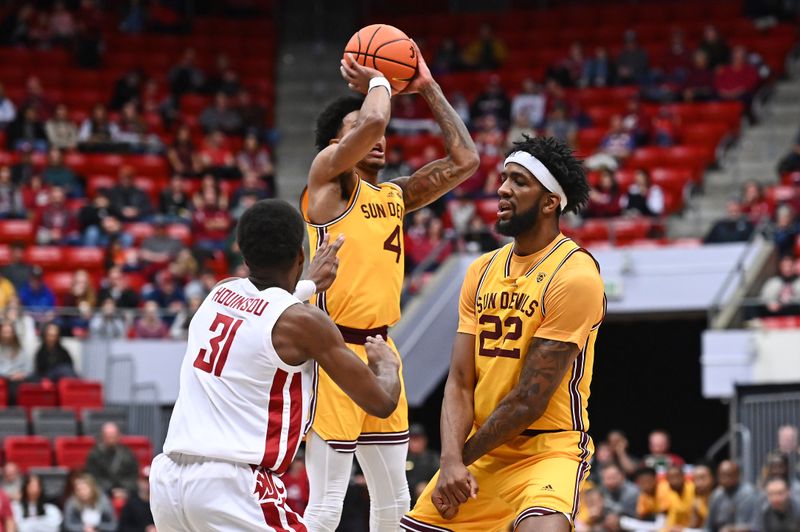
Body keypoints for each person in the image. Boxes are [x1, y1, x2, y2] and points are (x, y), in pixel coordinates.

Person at [300, 44, 478, 532]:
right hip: (334, 348)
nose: (374, 137)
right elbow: (376, 123)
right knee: (326, 502)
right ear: (336, 146)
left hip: (383, 351)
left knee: (395, 498)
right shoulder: (328, 183)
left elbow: (466, 159)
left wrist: (427, 87)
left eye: (370, 127)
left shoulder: (393, 195)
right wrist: (379, 79)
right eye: (353, 129)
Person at [149, 199, 403, 531]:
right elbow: (381, 403)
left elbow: (263, 312)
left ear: (242, 251)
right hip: (233, 486)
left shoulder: (218, 294)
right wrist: (388, 366)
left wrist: (309, 285)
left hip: (169, 480)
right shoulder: (305, 323)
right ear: (300, 255)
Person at [402, 135, 603, 531]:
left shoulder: (575, 274)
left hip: (547, 447)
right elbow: (460, 382)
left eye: (519, 181)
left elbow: (529, 398)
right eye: (504, 178)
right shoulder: (481, 270)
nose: (502, 189)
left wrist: (459, 459)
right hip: (482, 448)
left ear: (550, 202)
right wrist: (451, 461)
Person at [85, 422, 139, 496]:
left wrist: (124, 489)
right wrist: (111, 490)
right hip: (103, 492)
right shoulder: (95, 455)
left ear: (119, 436)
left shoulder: (127, 454)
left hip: (126, 492)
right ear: (103, 436)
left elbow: (133, 476)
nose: (111, 439)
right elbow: (93, 477)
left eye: (113, 436)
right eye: (108, 436)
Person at [706, 460, 759, 532]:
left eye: (728, 475)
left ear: (737, 475)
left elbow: (753, 526)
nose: (724, 479)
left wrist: (731, 529)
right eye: (721, 475)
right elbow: (709, 526)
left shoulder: (748, 494)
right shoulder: (716, 495)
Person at [406, 424, 440, 507]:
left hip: (427, 498)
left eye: (418, 439)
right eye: (413, 439)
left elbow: (441, 478)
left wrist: (428, 487)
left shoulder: (433, 458)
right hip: (406, 497)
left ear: (424, 440)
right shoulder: (402, 458)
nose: (415, 443)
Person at [117, 468, 154, 532]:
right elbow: (123, 528)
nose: (147, 484)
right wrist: (144, 530)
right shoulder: (131, 504)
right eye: (144, 481)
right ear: (138, 482)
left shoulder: (159, 503)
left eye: (149, 480)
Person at [690, 464, 715, 528]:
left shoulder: (720, 498)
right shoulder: (697, 502)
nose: (698, 483)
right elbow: (694, 527)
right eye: (695, 479)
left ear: (712, 478)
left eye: (702, 478)